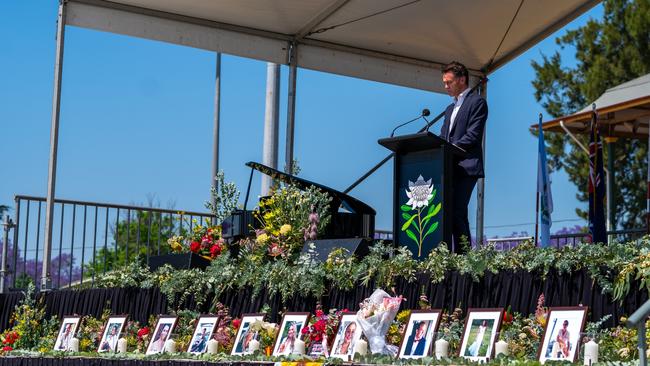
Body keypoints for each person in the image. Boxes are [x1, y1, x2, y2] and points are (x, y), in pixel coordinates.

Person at [439, 61, 488, 254]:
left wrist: (450, 148)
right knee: (448, 212)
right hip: (449, 167)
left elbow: (472, 135)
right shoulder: (450, 109)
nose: (446, 86)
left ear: (462, 79)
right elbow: (443, 137)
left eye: (449, 82)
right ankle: (449, 255)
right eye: (444, 82)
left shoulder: (477, 102)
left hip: (467, 167)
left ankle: (463, 257)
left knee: (458, 210)